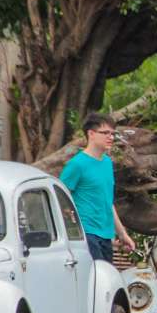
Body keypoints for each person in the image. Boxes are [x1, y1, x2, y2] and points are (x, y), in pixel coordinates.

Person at [60, 112, 135, 263]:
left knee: (105, 283)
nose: (111, 137)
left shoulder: (107, 162)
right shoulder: (77, 164)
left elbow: (108, 202)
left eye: (113, 133)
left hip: (106, 235)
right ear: (91, 134)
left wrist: (122, 233)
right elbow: (60, 198)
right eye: (105, 133)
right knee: (95, 282)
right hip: (86, 235)